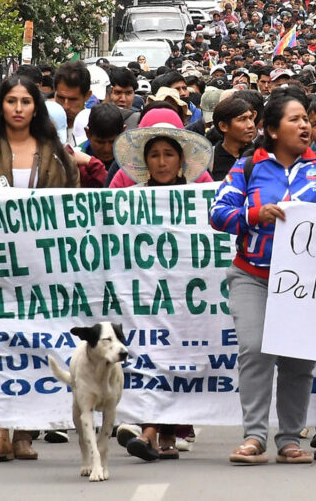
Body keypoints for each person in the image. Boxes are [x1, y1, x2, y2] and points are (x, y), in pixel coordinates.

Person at [210, 91, 316, 466]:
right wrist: (255, 214)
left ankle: (289, 440)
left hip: (308, 282)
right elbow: (219, 213)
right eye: (295, 120)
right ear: (271, 129)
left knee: (298, 362)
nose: (306, 126)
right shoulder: (248, 166)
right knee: (255, 349)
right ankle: (254, 437)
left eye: (308, 119)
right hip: (252, 276)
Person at [0, 76, 79, 461]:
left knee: (36, 346)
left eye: (26, 101)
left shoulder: (57, 153)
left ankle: (25, 432)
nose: (18, 108)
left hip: (44, 267)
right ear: (0, 107)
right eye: (11, 101)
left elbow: (74, 207)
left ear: (36, 108)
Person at [111, 109, 214, 463]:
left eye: (168, 154)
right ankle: (151, 431)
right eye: (154, 154)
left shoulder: (201, 200)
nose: (161, 161)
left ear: (181, 160)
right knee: (150, 359)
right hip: (144, 296)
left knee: (182, 360)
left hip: (188, 297)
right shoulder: (129, 198)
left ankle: (162, 433)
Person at [210, 95, 257, 181]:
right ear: (223, 126)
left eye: (251, 118)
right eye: (242, 119)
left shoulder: (262, 155)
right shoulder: (210, 159)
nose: (250, 125)